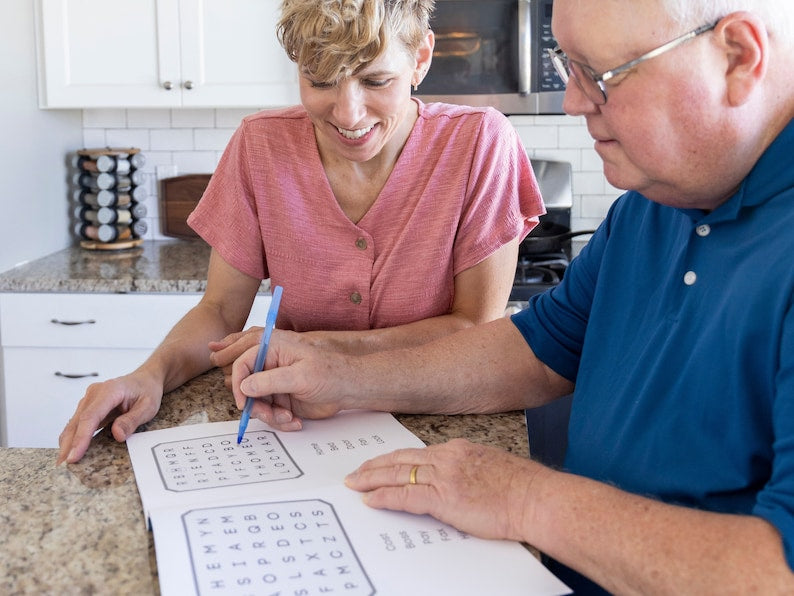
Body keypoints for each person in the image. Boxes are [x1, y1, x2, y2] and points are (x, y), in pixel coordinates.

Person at [227, 0, 794, 592]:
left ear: (738, 57)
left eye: (599, 76)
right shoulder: (655, 204)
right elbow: (536, 350)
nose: (574, 101)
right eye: (566, 67)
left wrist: (524, 498)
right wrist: (342, 378)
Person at [57, 0, 543, 465]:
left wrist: (320, 350)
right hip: (297, 422)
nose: (349, 114)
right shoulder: (259, 145)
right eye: (321, 80)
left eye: (377, 80)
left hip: (437, 420)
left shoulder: (480, 142)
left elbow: (474, 329)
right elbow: (221, 310)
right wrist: (151, 374)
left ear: (421, 59)